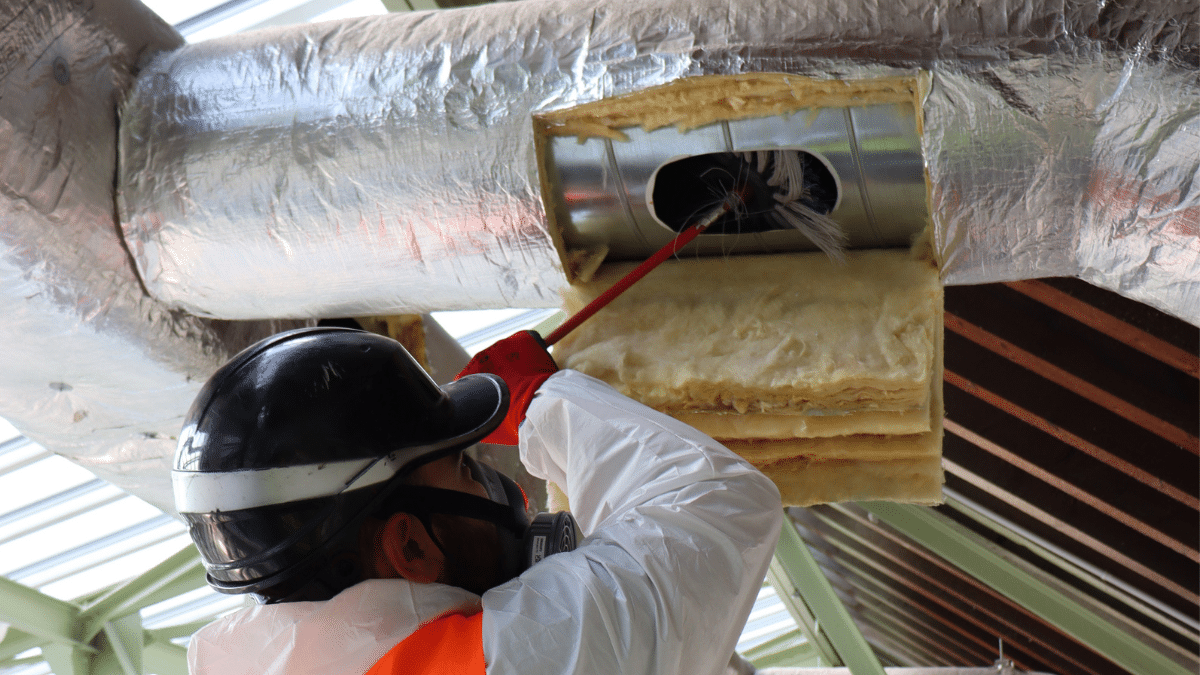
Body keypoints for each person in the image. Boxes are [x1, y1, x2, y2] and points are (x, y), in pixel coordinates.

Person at [173, 326, 782, 675]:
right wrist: (539, 402)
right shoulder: (496, 663)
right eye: (465, 468)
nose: (505, 491)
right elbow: (715, 503)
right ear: (409, 545)